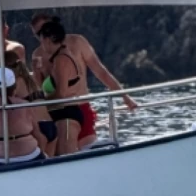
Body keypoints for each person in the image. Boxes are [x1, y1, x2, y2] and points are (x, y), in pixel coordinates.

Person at [30, 13, 137, 149]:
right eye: (36, 34)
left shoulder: (77, 42)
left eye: (43, 31)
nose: (40, 37)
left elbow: (100, 71)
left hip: (79, 105)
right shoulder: (38, 54)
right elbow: (42, 88)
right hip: (55, 113)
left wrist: (125, 96)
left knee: (86, 154)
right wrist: (36, 72)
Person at [37, 19, 86, 156]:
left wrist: (42, 102)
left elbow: (61, 94)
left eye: (42, 41)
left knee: (66, 159)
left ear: (48, 39)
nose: (42, 46)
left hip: (66, 115)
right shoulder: (60, 57)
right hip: (61, 114)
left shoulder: (61, 60)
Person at [4, 50, 57, 157]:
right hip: (51, 125)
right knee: (49, 167)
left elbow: (5, 105)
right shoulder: (32, 79)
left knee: (37, 168)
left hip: (38, 128)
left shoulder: (15, 84)